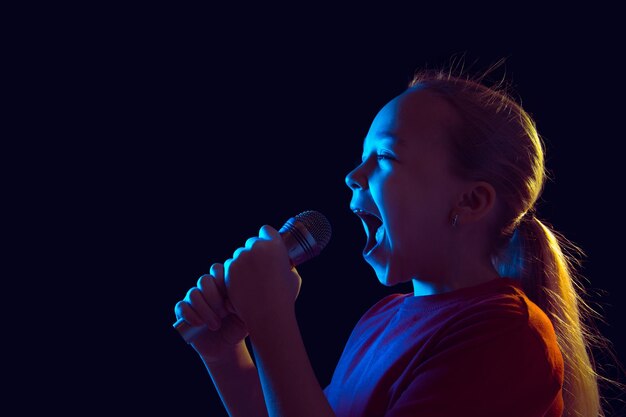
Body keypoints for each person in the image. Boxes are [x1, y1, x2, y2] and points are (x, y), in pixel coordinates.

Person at [174, 68, 606, 417]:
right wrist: (227, 356)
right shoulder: (381, 318)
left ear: (471, 200)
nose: (352, 175)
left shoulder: (508, 336)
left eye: (384, 157)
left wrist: (271, 320)